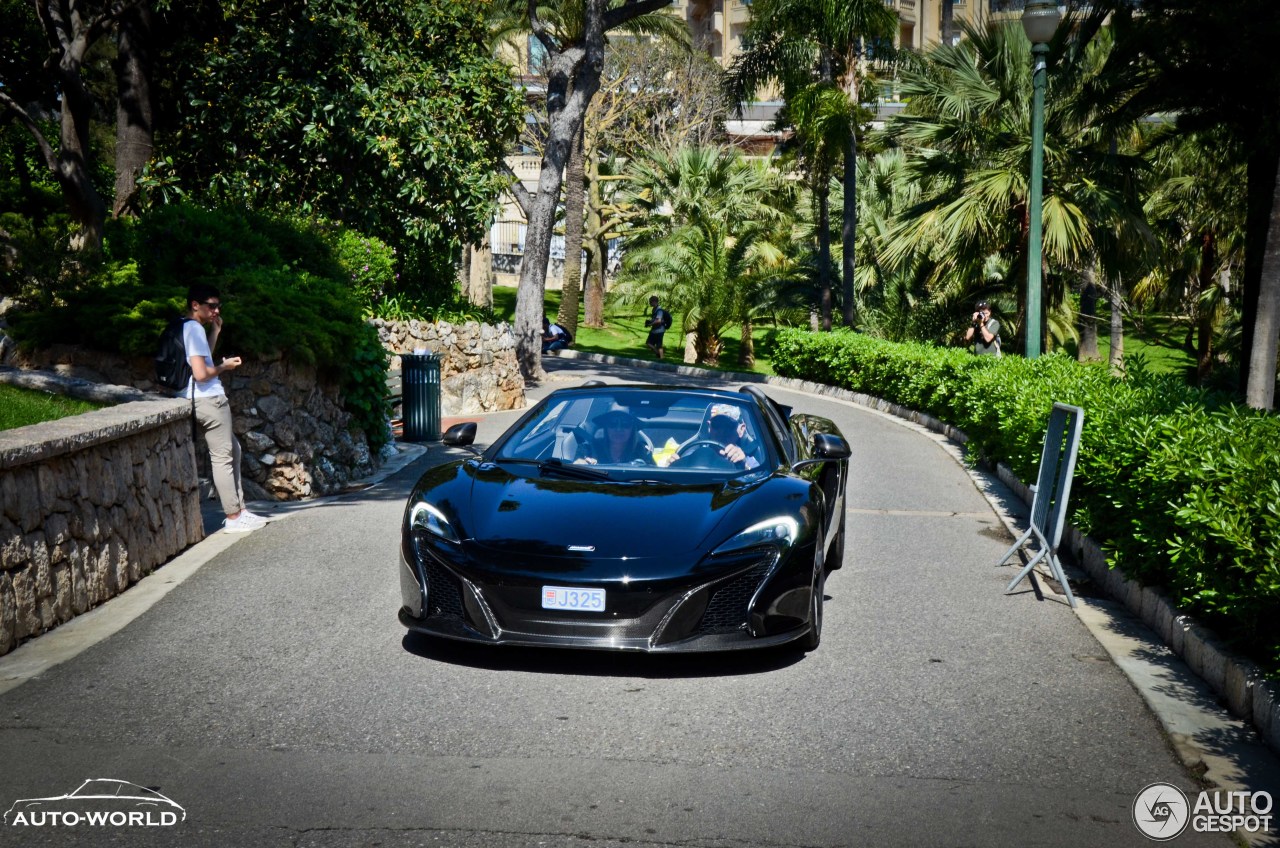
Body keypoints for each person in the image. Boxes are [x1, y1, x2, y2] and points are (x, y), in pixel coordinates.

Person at [183, 284, 267, 533]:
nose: (216, 310)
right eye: (211, 305)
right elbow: (201, 374)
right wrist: (224, 367)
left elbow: (201, 358)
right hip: (209, 400)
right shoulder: (193, 328)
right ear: (195, 305)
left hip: (198, 399)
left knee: (233, 451)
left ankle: (239, 511)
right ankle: (233, 516)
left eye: (218, 306)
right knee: (224, 457)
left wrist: (215, 332)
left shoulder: (188, 328)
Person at [676, 403, 760, 469]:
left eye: (729, 426)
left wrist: (744, 466)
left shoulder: (748, 461)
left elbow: (760, 483)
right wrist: (672, 465)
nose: (722, 432)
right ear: (709, 427)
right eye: (717, 425)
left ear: (741, 429)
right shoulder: (690, 454)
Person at [575, 408, 653, 466]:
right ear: (606, 428)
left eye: (625, 424)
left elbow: (653, 477)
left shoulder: (642, 451)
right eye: (612, 424)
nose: (618, 429)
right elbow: (574, 472)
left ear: (632, 430)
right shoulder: (589, 449)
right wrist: (582, 464)